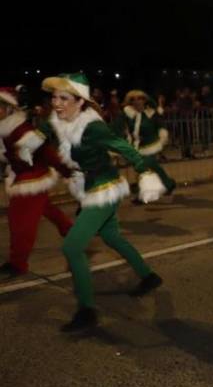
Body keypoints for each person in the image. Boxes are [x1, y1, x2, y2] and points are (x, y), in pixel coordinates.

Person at [40, 73, 167, 332]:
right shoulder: (61, 120)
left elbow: (124, 147)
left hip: (104, 189)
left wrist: (145, 172)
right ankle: (149, 276)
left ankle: (87, 310)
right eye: (54, 97)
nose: (56, 103)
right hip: (89, 186)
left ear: (80, 101)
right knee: (111, 237)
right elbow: (39, 132)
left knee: (72, 248)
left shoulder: (92, 127)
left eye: (63, 98)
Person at [0, 87, 73, 279]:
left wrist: (68, 171)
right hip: (22, 175)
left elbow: (47, 153)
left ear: (9, 108)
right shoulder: (5, 129)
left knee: (20, 222)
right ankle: (73, 233)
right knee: (47, 209)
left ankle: (18, 263)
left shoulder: (22, 130)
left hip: (32, 179)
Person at [121, 89, 177, 198]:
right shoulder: (129, 114)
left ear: (145, 100)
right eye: (133, 99)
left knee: (144, 166)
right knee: (153, 167)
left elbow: (161, 125)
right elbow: (123, 129)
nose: (136, 101)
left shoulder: (151, 114)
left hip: (152, 145)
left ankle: (141, 192)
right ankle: (169, 184)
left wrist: (163, 138)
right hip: (137, 146)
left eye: (140, 98)